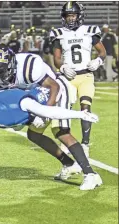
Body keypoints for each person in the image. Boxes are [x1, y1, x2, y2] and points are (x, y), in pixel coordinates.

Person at [0, 43, 100, 185]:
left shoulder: (29, 66)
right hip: (35, 95)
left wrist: (43, 114)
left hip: (56, 91)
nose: (1, 77)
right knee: (33, 134)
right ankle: (69, 164)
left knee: (60, 131)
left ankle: (90, 174)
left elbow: (54, 87)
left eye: (3, 72)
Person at [50, 1, 106, 156]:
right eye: (68, 16)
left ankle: (85, 143)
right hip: (68, 77)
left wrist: (98, 61)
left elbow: (102, 52)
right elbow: (56, 58)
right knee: (65, 109)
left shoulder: (90, 31)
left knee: (85, 107)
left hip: (86, 75)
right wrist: (62, 67)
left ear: (79, 16)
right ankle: (67, 141)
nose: (70, 19)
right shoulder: (58, 33)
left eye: (73, 15)